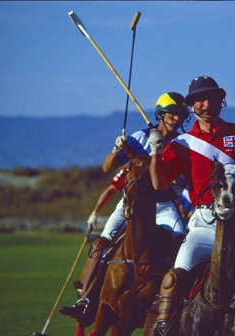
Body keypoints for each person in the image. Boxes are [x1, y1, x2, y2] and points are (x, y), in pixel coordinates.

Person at [148, 76, 235, 335]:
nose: (207, 104)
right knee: (172, 280)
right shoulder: (182, 144)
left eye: (212, 98)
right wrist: (157, 152)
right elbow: (159, 183)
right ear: (191, 106)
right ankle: (163, 328)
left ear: (220, 100)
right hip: (203, 225)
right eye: (199, 100)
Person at [60, 92, 190, 321]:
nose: (177, 118)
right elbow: (106, 167)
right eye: (172, 113)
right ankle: (86, 300)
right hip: (130, 205)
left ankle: (177, 300)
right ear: (161, 114)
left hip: (163, 206)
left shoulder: (183, 143)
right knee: (102, 242)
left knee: (180, 239)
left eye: (180, 114)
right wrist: (117, 148)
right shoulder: (140, 137)